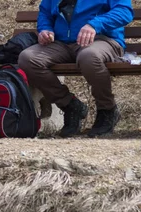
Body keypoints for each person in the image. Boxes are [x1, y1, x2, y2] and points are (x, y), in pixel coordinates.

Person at [18, 0, 133, 138]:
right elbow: (45, 12)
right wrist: (45, 29)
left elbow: (125, 12)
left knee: (89, 56)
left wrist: (94, 24)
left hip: (101, 40)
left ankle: (107, 109)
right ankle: (70, 106)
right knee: (27, 58)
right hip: (61, 43)